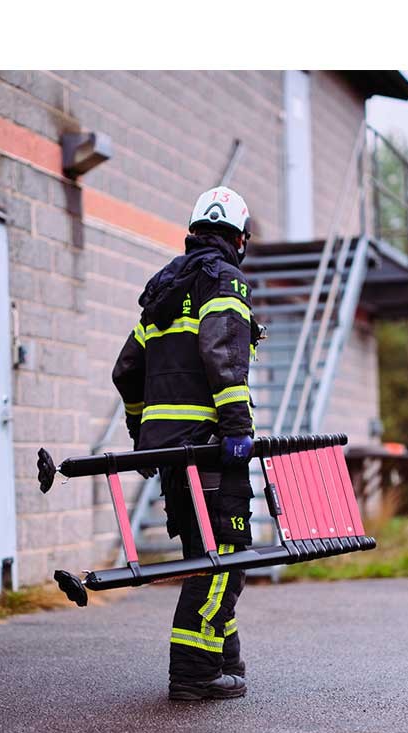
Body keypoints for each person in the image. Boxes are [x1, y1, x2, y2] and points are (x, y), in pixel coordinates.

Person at [112, 186, 262, 701]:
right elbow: (222, 354)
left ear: (194, 230)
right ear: (239, 239)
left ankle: (225, 661)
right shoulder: (225, 281)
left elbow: (126, 370)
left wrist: (141, 431)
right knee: (224, 558)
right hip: (212, 448)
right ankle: (194, 675)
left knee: (208, 555)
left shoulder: (163, 288)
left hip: (173, 455)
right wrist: (238, 429)